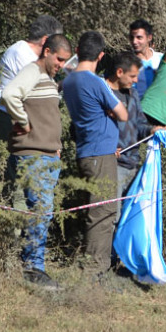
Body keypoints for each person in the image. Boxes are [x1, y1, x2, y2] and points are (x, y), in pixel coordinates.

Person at [1, 33, 72, 290]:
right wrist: (23, 122)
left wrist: (57, 148)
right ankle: (34, 269)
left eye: (65, 61)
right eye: (59, 59)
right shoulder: (32, 71)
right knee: (40, 211)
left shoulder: (49, 79)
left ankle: (31, 266)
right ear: (47, 51)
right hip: (33, 155)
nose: (61, 64)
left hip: (47, 155)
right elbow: (9, 94)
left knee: (41, 211)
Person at [60, 32, 127, 276]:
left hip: (87, 150)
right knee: (103, 211)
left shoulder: (68, 81)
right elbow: (123, 113)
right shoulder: (95, 81)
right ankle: (95, 270)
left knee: (96, 207)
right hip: (100, 152)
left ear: (77, 50)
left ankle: (92, 265)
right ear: (101, 55)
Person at [0, 14, 64, 155]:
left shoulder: (33, 57)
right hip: (9, 120)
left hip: (19, 120)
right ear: (45, 40)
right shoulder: (22, 55)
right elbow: (34, 94)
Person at [107, 51, 161, 198]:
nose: (136, 80)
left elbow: (140, 124)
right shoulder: (102, 92)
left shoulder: (133, 94)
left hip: (133, 164)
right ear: (119, 72)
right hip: (112, 166)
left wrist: (152, 130)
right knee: (112, 216)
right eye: (132, 76)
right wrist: (105, 148)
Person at [128, 19, 163, 99]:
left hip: (158, 108)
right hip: (137, 109)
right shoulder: (127, 62)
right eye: (132, 37)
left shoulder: (162, 59)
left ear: (149, 37)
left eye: (139, 37)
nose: (134, 41)